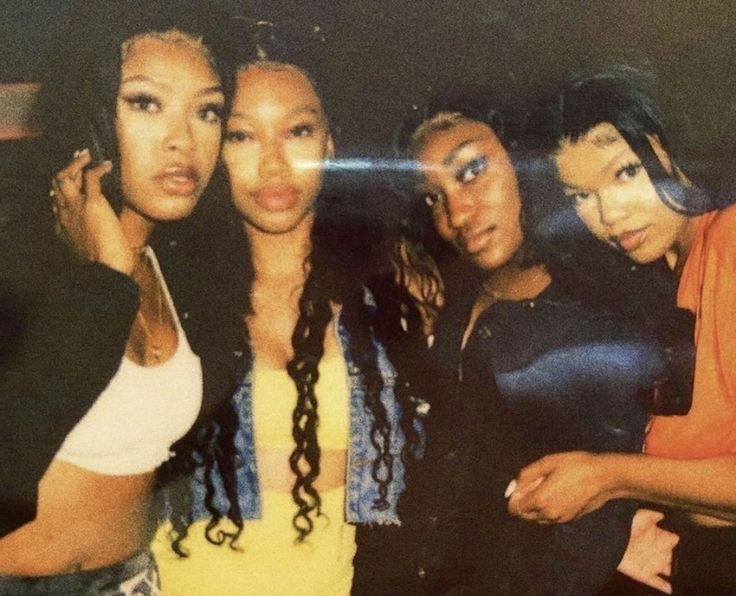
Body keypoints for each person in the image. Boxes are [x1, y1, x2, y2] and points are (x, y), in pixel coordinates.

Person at [356, 92, 688, 595]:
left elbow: (627, 478)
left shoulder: (610, 292)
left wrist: (613, 543)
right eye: (432, 196)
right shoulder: (459, 292)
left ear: (524, 161)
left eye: (471, 171)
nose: (457, 214)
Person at [151, 34, 420, 596]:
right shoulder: (164, 292)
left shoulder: (392, 292)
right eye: (241, 135)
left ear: (330, 142)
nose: (273, 163)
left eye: (298, 130)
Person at [0, 1, 232, 592]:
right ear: (93, 111)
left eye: (207, 111)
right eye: (146, 103)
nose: (183, 139)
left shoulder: (180, 269)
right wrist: (102, 277)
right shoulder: (17, 255)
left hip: (133, 579)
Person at [506, 69, 736, 595]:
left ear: (674, 145)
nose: (610, 214)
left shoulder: (729, 239)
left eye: (626, 172)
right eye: (581, 196)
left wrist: (610, 477)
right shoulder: (672, 277)